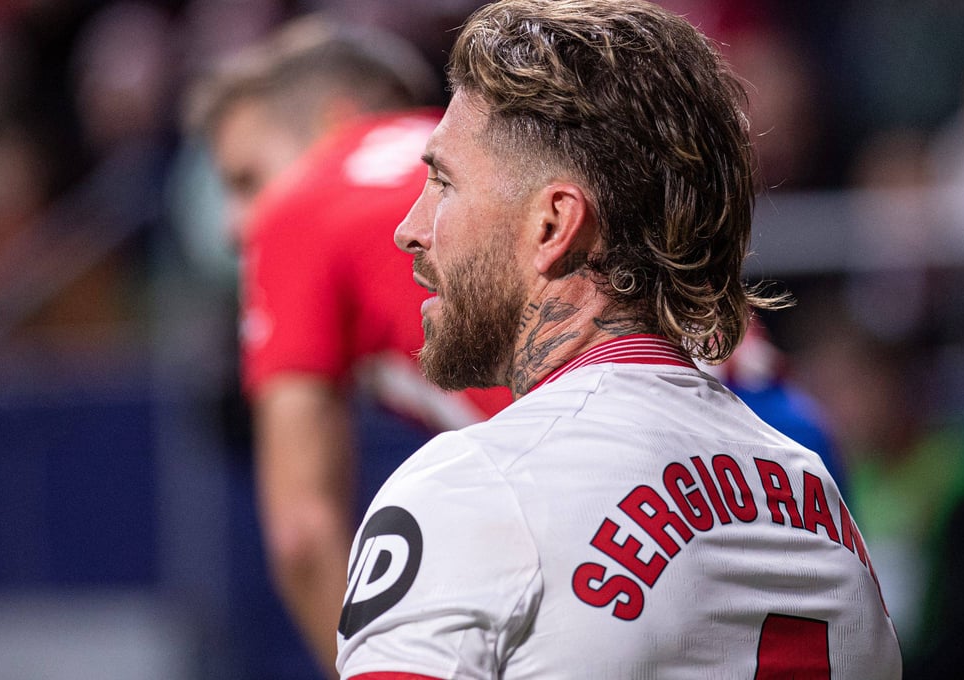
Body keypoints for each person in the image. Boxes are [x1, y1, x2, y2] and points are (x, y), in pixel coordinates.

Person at [335, 1, 901, 677]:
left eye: (443, 183)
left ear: (553, 225)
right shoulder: (819, 504)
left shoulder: (473, 490)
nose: (410, 229)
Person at [187, 17, 511, 676]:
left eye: (246, 180)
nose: (233, 227)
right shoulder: (512, 154)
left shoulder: (299, 208)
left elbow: (302, 533)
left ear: (338, 123)